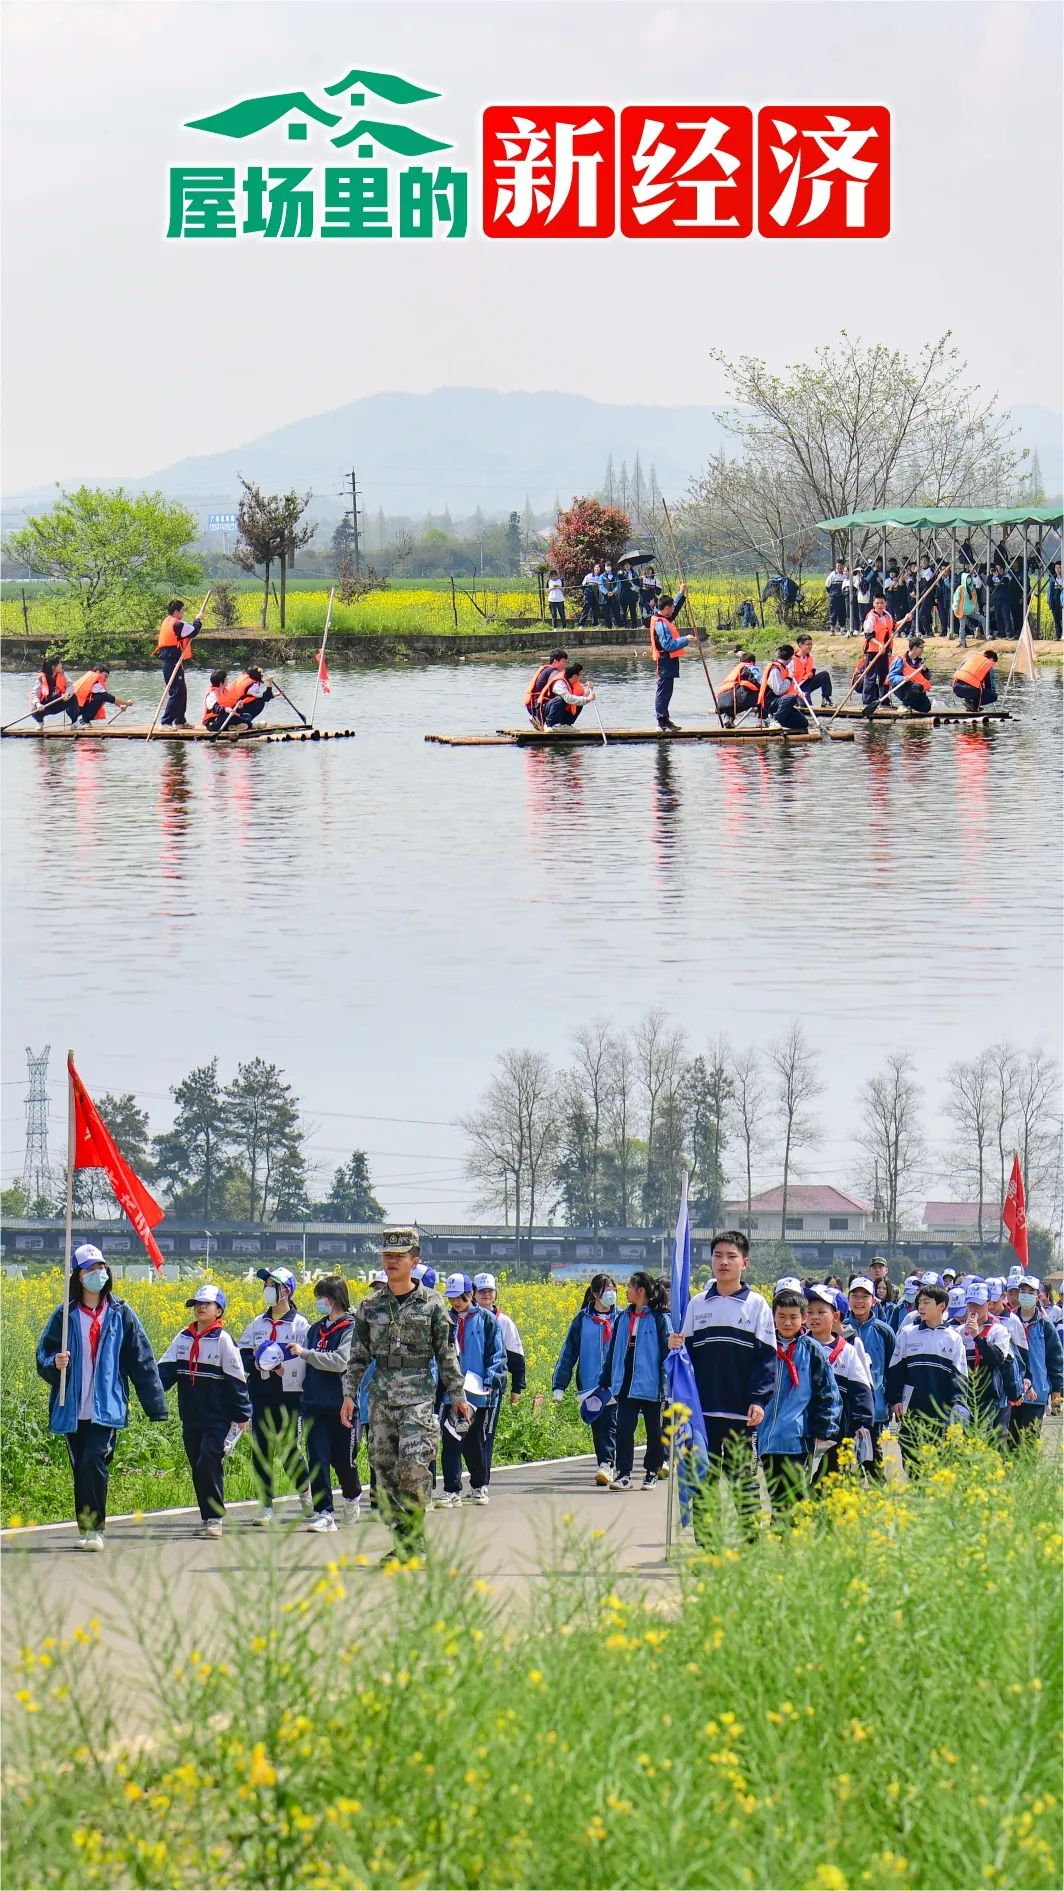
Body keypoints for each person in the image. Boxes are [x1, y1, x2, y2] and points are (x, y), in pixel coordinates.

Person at [341, 1230, 470, 1561]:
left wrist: (457, 1395)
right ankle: (404, 1545)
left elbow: (446, 1354)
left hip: (418, 1398)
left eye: (400, 1256)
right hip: (381, 1399)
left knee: (412, 1468)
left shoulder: (433, 1305)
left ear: (415, 1261)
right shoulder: (370, 1306)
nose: (392, 1261)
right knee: (384, 1477)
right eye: (387, 1256)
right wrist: (349, 1395)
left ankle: (415, 1541)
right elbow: (357, 1355)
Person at [35, 1244, 167, 1550]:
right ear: (78, 1276)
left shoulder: (122, 1314)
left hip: (106, 1406)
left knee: (95, 1460)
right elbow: (42, 1355)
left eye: (101, 1268)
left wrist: (155, 1406)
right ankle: (86, 1529)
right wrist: (54, 1364)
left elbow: (142, 1360)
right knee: (81, 1467)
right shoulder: (64, 1315)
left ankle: (95, 1530)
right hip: (71, 1407)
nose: (98, 1274)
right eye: (91, 1269)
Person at [668, 1230, 776, 1545]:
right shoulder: (697, 1304)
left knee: (743, 1482)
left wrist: (759, 1400)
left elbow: (766, 1360)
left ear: (745, 1262)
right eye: (718, 1256)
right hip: (702, 1416)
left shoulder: (757, 1305)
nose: (724, 1262)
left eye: (731, 1256)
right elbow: (685, 1358)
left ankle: (748, 1546)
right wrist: (675, 1345)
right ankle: (709, 1549)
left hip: (742, 1414)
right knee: (704, 1483)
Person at [157, 1282, 251, 1540]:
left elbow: (237, 1379)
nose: (200, 1308)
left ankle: (215, 1518)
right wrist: (149, 1393)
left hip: (217, 1418)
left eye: (206, 1304)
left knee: (209, 1461)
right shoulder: (183, 1337)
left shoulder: (223, 1340)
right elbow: (164, 1371)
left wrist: (242, 1414)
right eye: (197, 1304)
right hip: (191, 1416)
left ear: (218, 1310)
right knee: (197, 1465)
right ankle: (206, 1516)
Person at [757, 1284, 841, 1525]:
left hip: (797, 1438)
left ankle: (794, 1542)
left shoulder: (812, 1350)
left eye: (793, 1317)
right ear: (773, 1317)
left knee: (795, 1494)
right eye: (781, 1316)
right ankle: (784, 1539)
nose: (786, 1322)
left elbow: (827, 1392)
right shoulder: (765, 1347)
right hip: (768, 1437)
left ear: (804, 1319)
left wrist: (824, 1429)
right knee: (775, 1494)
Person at [237, 1268, 312, 1526]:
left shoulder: (300, 1324)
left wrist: (286, 1367)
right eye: (266, 1284)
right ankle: (265, 1505)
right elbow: (242, 1355)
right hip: (261, 1395)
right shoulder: (257, 1323)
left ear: (286, 1291)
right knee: (261, 1452)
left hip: (290, 1398)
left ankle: (305, 1495)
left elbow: (307, 1360)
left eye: (272, 1284)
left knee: (290, 1451)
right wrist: (256, 1364)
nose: (267, 1288)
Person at [288, 1275, 362, 1532]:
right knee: (317, 1460)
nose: (320, 1302)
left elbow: (340, 1361)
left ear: (333, 1299)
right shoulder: (315, 1329)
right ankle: (324, 1513)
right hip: (314, 1404)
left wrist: (305, 1354)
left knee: (344, 1462)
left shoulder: (352, 1327)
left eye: (323, 1297)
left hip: (342, 1406)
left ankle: (352, 1496)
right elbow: (302, 1363)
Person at [435, 1274, 507, 1507]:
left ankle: (479, 1486)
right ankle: (451, 1490)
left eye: (461, 1297)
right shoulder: (444, 1320)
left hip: (479, 1392)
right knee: (451, 1440)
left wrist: (490, 1379)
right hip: (452, 1390)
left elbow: (497, 1353)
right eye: (453, 1298)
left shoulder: (487, 1319)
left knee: (475, 1442)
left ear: (470, 1294)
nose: (456, 1302)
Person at [885, 1280, 969, 1475]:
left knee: (937, 1467)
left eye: (926, 1302)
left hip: (941, 1412)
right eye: (919, 1302)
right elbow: (896, 1369)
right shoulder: (907, 1333)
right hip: (911, 1411)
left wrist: (957, 1405)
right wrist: (895, 1398)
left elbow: (959, 1376)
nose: (921, 1307)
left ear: (941, 1306)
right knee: (912, 1464)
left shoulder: (953, 1338)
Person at [600, 1272, 671, 1492]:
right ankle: (624, 1474)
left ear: (641, 1291)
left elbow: (667, 1352)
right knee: (624, 1429)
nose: (626, 1290)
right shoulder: (623, 1317)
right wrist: (606, 1377)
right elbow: (613, 1351)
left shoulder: (660, 1318)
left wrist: (666, 1382)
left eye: (630, 1287)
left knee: (654, 1431)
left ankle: (651, 1471)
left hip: (651, 1385)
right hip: (625, 1383)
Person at [552, 1274, 620, 1484]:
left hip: (614, 1384)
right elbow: (569, 1353)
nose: (611, 1293)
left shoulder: (622, 1318)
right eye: (606, 1289)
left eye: (613, 1289)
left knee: (611, 1423)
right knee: (597, 1424)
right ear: (595, 1294)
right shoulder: (582, 1319)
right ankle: (604, 1462)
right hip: (589, 1383)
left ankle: (607, 1464)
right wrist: (559, 1385)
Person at [804, 1288, 875, 1477]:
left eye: (821, 1312)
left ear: (835, 1316)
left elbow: (861, 1390)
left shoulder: (847, 1351)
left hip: (839, 1432)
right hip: (804, 1429)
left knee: (832, 1482)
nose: (814, 1317)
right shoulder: (800, 1347)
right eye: (809, 1312)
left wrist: (862, 1425)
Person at [472, 1272, 525, 1485]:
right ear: (473, 1294)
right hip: (467, 1387)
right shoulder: (465, 1318)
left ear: (495, 1294)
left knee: (486, 1434)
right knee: (467, 1437)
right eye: (481, 1291)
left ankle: (482, 1483)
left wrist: (517, 1387)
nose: (486, 1295)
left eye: (489, 1291)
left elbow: (516, 1356)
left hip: (493, 1388)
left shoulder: (503, 1321)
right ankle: (473, 1481)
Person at [843, 1276, 896, 1480]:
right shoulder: (840, 1328)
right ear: (848, 1299)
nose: (859, 1301)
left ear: (873, 1300)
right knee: (847, 1458)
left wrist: (891, 1400)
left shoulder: (884, 1331)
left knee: (873, 1456)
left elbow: (892, 1369)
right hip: (845, 1405)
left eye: (864, 1296)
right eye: (855, 1296)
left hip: (875, 1405)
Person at [961, 1283, 1024, 1441]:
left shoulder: (999, 1331)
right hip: (967, 1398)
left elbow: (996, 1360)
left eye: (978, 1304)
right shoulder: (958, 1332)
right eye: (970, 1304)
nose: (974, 1309)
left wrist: (977, 1337)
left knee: (995, 1449)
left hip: (994, 1398)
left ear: (989, 1304)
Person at [1009, 1274, 1063, 1449]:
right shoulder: (1009, 1321)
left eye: (1030, 1291)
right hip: (1012, 1391)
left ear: (1038, 1296)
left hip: (1037, 1392)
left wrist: (1057, 1388)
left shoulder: (1045, 1324)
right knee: (1011, 1444)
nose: (1025, 1294)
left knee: (1029, 1445)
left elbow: (1055, 1358)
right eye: (1022, 1290)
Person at [647, 586, 693, 731]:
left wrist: (681, 593)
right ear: (666, 608)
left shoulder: (663, 617)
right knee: (663, 691)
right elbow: (667, 644)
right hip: (664, 660)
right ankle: (661, 721)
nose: (673, 610)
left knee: (667, 692)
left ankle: (665, 719)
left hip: (669, 661)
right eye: (671, 608)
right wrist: (686, 639)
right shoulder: (660, 623)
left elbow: (675, 608)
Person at [155, 598, 203, 729]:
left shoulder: (170, 621)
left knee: (182, 691)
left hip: (174, 659)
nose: (183, 612)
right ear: (176, 611)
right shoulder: (177, 624)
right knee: (177, 692)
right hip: (171, 660)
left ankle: (180, 721)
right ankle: (166, 722)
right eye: (182, 610)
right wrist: (198, 620)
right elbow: (193, 631)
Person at [757, 645, 811, 733]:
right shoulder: (775, 670)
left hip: (781, 703)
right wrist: (789, 678)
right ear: (791, 657)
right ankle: (774, 720)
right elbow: (779, 691)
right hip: (770, 702)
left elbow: (789, 689)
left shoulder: (784, 668)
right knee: (790, 698)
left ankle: (777, 721)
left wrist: (797, 692)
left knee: (803, 723)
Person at [858, 593, 895, 716]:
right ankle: (867, 701)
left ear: (885, 603)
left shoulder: (887, 615)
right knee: (871, 676)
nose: (880, 605)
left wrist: (906, 618)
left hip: (884, 651)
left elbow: (894, 626)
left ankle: (884, 701)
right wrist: (879, 644)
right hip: (873, 651)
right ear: (873, 604)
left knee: (884, 677)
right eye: (877, 603)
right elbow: (868, 635)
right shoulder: (871, 617)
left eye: (882, 603)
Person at [65, 666, 133, 725]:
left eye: (107, 678)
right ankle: (84, 722)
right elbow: (109, 697)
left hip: (71, 709)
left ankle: (83, 721)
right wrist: (128, 703)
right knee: (99, 698)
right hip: (74, 709)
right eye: (105, 676)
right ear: (97, 672)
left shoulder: (91, 680)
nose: (105, 679)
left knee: (100, 696)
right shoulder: (96, 682)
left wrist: (120, 705)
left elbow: (108, 697)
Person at [886, 637, 933, 715]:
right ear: (914, 648)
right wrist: (903, 678)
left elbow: (927, 677)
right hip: (901, 688)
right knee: (917, 686)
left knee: (926, 707)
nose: (923, 650)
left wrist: (925, 671)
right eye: (921, 648)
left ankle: (909, 705)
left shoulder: (920, 661)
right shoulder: (900, 660)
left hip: (916, 690)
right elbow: (891, 678)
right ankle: (904, 705)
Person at [542, 661, 596, 729]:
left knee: (579, 700)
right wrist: (588, 699)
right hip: (547, 709)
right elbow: (568, 698)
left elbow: (582, 697)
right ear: (575, 676)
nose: (582, 676)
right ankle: (548, 724)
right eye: (581, 674)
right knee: (560, 700)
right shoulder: (559, 683)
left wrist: (589, 689)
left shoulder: (574, 683)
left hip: (560, 710)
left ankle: (565, 724)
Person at [523, 650, 567, 727]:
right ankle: (552, 724)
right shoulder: (553, 672)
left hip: (532, 706)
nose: (565, 665)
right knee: (564, 698)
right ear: (555, 661)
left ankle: (539, 719)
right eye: (563, 662)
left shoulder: (546, 669)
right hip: (538, 707)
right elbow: (565, 686)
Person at [717, 652, 761, 726]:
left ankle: (728, 718)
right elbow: (760, 683)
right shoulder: (752, 668)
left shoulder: (735, 670)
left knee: (733, 698)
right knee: (763, 695)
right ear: (752, 662)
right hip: (736, 702)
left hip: (721, 703)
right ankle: (761, 720)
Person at [791, 634, 833, 706]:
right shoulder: (791, 660)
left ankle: (826, 699)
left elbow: (811, 671)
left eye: (811, 644)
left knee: (824, 675)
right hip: (798, 686)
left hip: (808, 682)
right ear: (800, 645)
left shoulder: (810, 657)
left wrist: (810, 674)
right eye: (808, 644)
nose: (810, 646)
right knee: (805, 704)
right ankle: (797, 701)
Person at [30, 655, 69, 724]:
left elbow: (70, 686)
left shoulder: (62, 674)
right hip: (45, 705)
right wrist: (38, 704)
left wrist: (67, 694)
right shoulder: (42, 677)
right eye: (59, 663)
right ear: (53, 666)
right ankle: (40, 721)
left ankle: (74, 722)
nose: (61, 665)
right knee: (35, 711)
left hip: (58, 702)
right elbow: (35, 693)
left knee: (73, 697)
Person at [951, 568, 985, 644]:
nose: (969, 580)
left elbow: (974, 600)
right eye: (967, 579)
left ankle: (986, 635)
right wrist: (955, 609)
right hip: (962, 611)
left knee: (983, 619)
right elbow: (956, 600)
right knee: (962, 627)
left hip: (970, 611)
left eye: (970, 578)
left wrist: (976, 608)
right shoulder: (960, 589)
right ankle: (962, 642)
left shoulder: (972, 588)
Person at [825, 560, 847, 632]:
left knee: (843, 613)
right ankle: (832, 628)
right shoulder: (832, 575)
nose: (840, 567)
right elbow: (827, 586)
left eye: (841, 566)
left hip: (843, 597)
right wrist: (832, 593)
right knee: (833, 613)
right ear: (836, 566)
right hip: (834, 597)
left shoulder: (845, 575)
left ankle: (842, 628)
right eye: (838, 566)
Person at [599, 564, 621, 628]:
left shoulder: (616, 576)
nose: (608, 568)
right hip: (605, 597)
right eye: (606, 566)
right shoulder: (602, 576)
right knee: (606, 612)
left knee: (616, 611)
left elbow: (618, 585)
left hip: (614, 596)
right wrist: (606, 592)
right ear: (605, 568)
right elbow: (600, 586)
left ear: (611, 567)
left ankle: (620, 625)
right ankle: (608, 626)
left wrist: (613, 592)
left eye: (609, 566)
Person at [1048, 560, 1062, 641]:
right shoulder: (1053, 578)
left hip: (1061, 601)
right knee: (1056, 619)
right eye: (1056, 567)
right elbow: (1050, 591)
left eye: (1059, 568)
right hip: (1054, 601)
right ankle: (1058, 635)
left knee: (1062, 618)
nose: (1057, 569)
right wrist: (1049, 602)